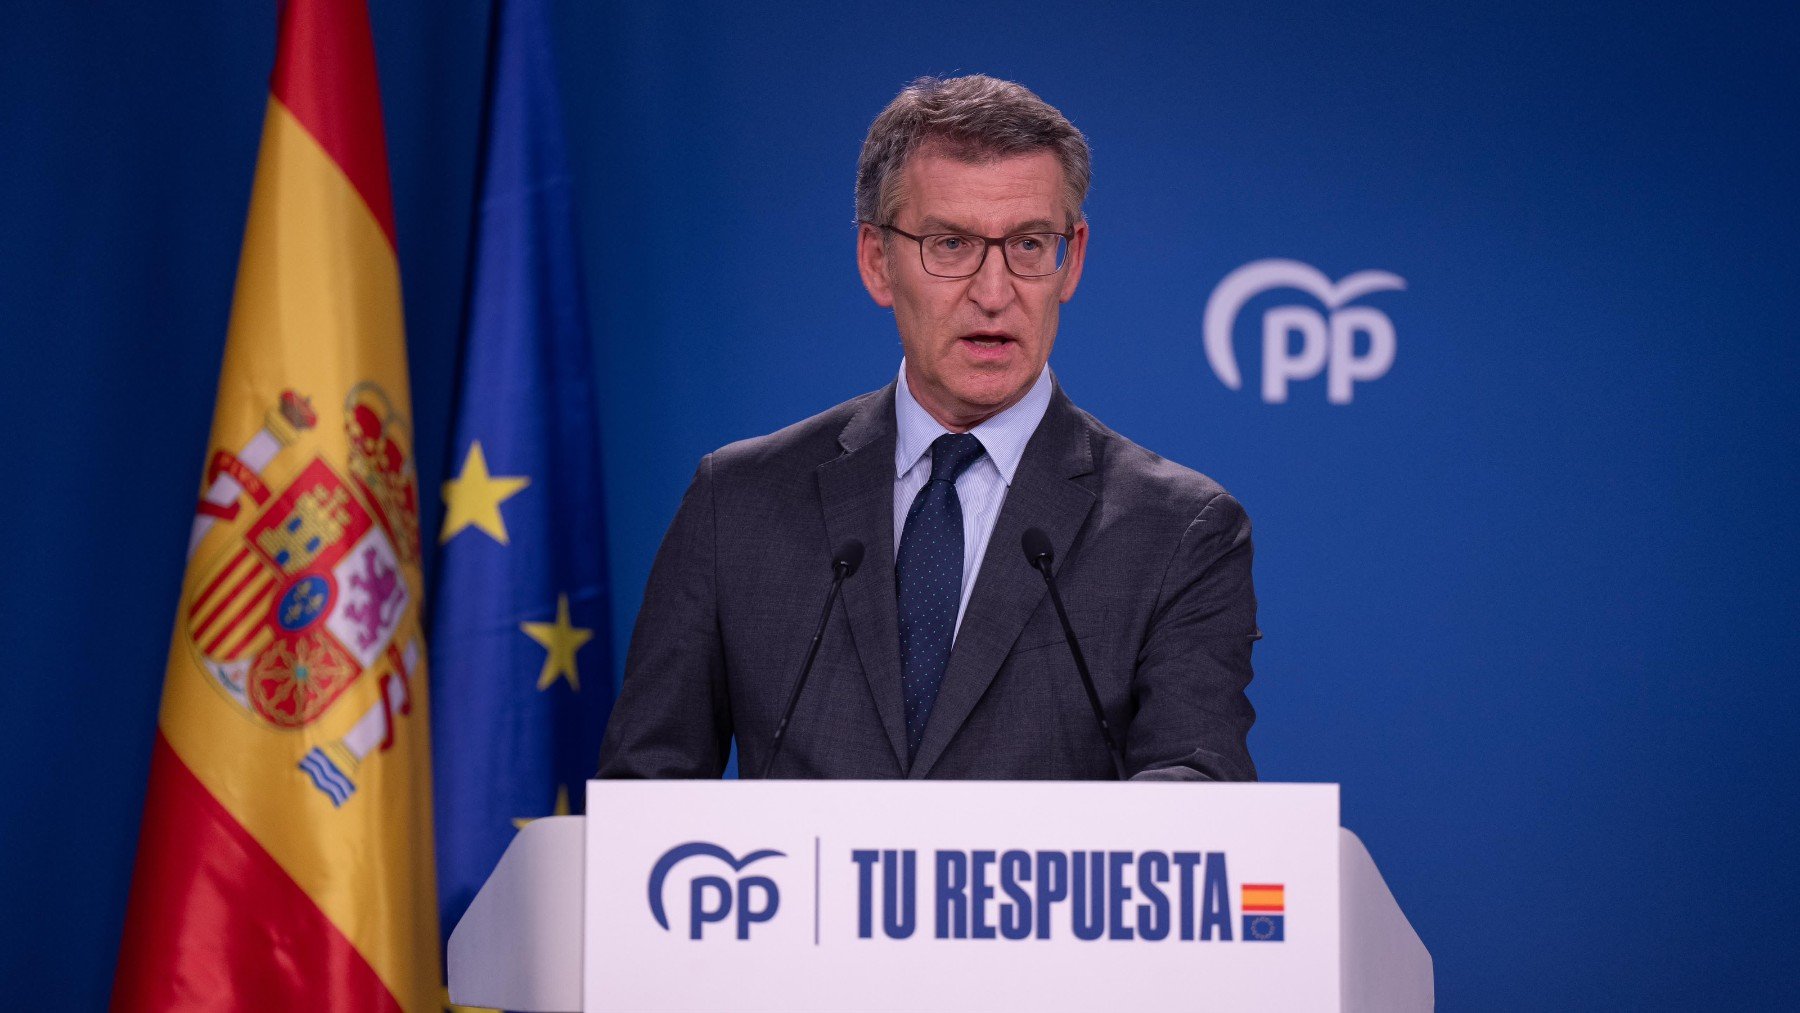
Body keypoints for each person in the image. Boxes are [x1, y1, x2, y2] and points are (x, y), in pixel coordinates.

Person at [597, 75, 1258, 781]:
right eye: (951, 244)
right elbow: (644, 798)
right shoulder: (738, 502)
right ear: (877, 260)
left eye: (1029, 244)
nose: (995, 291)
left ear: (1073, 258)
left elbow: (1199, 804)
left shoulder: (1178, 531)